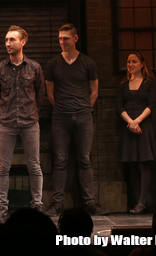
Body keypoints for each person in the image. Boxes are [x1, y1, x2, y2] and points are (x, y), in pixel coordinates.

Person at [43, 24, 109, 217]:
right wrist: (63, 109)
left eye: (66, 38)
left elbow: (94, 91)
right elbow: (50, 93)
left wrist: (84, 108)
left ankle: (89, 203)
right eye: (60, 39)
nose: (63, 42)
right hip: (60, 117)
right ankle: (57, 204)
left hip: (83, 116)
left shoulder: (87, 63)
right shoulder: (53, 64)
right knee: (61, 160)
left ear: (75, 38)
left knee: (85, 159)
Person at [0, 25, 44, 223]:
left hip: (30, 121)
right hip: (7, 122)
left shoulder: (34, 68)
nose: (8, 43)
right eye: (6, 40)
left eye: (12, 39)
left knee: (34, 165)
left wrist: (32, 112)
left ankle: (37, 206)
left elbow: (40, 95)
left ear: (23, 42)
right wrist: (6, 112)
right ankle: (2, 208)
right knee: (3, 166)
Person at [116, 51, 156, 214]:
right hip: (128, 127)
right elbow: (119, 106)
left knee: (144, 163)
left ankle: (142, 202)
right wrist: (130, 121)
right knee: (132, 164)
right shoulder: (123, 85)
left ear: (142, 64)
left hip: (144, 126)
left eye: (134, 61)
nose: (130, 64)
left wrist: (137, 121)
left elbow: (152, 104)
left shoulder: (150, 83)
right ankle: (137, 202)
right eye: (128, 62)